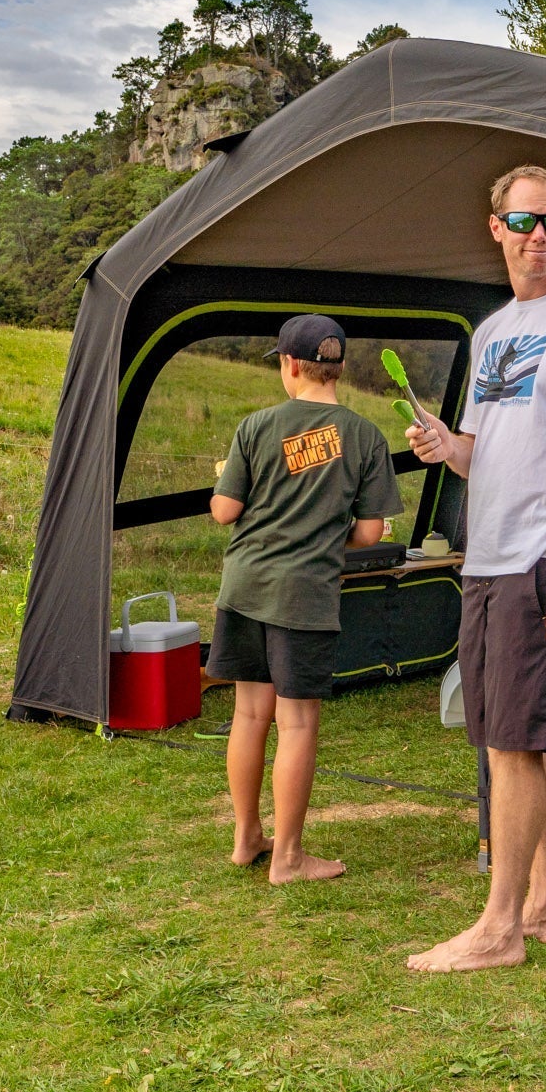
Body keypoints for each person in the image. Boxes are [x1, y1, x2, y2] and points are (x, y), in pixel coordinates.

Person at [403, 163, 546, 973]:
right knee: (530, 741)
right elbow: (486, 452)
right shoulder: (494, 331)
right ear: (495, 227)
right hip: (488, 558)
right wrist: (446, 446)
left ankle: (499, 929)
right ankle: (545, 907)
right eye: (526, 221)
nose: (540, 236)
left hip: (545, 558)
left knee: (512, 743)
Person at [209, 314, 404, 883]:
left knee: (249, 713)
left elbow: (225, 511)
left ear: (290, 365)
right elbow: (370, 534)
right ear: (337, 368)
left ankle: (247, 838)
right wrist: (325, 533)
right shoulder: (366, 436)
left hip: (244, 587)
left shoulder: (255, 426)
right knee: (296, 725)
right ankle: (289, 857)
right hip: (305, 595)